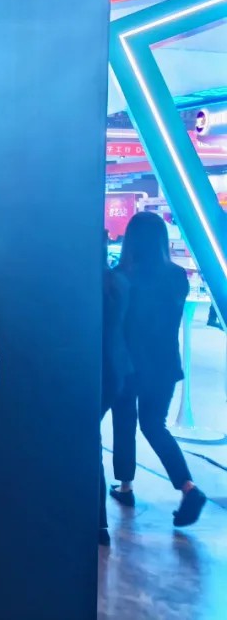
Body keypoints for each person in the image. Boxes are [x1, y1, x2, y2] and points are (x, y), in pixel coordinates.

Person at [109, 211, 206, 527]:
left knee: (125, 423)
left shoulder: (122, 277)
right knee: (154, 425)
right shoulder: (177, 277)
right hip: (164, 366)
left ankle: (126, 487)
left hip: (129, 366)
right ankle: (188, 487)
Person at [100, 232, 131, 546]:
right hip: (118, 368)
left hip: (95, 369)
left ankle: (98, 521)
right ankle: (99, 521)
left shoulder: (88, 284)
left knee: (87, 442)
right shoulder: (119, 282)